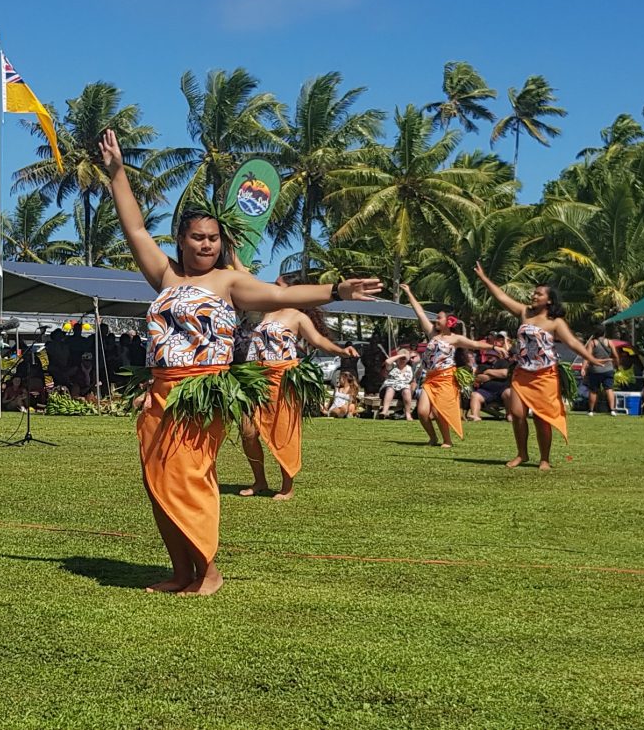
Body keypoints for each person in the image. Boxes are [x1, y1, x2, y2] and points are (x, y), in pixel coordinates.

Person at [101, 128, 381, 596]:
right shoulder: (164, 276)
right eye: (198, 237)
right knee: (157, 482)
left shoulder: (229, 283)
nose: (207, 245)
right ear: (182, 239)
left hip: (203, 392)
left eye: (213, 238)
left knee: (189, 475)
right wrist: (117, 173)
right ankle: (180, 571)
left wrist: (336, 291)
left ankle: (208, 569)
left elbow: (279, 293)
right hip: (161, 392)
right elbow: (133, 228)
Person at [474, 263, 604, 470]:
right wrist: (484, 278)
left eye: (539, 294)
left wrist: (591, 358)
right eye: (534, 293)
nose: (534, 296)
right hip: (522, 373)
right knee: (517, 414)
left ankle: (545, 458)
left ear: (549, 300)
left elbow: (573, 343)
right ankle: (522, 454)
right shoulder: (525, 313)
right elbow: (502, 298)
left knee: (542, 419)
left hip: (545, 376)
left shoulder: (555, 322)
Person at [239, 296, 359, 500]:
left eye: (279, 285)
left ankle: (287, 486)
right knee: (247, 432)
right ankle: (259, 481)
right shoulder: (265, 311)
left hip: (284, 379)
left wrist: (341, 351)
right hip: (257, 377)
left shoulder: (297, 317)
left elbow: (319, 340)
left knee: (284, 433)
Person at [399, 283, 496, 447]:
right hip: (430, 379)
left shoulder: (455, 339)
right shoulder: (432, 333)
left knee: (438, 412)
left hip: (446, 378)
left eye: (439, 317)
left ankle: (447, 440)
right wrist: (409, 293)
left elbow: (475, 344)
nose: (435, 320)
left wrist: (494, 347)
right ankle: (433, 438)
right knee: (422, 412)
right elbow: (420, 312)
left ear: (449, 321)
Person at [468, 333, 511, 422]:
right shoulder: (483, 365)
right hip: (486, 391)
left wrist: (488, 373)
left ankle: (510, 415)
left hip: (502, 390)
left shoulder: (503, 363)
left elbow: (505, 373)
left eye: (491, 355)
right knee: (475, 395)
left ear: (496, 356)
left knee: (509, 392)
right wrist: (494, 375)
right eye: (488, 356)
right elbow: (478, 378)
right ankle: (475, 416)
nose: (489, 357)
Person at [584, 323, 617, 416]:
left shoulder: (592, 343)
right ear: (604, 333)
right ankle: (612, 410)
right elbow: (615, 354)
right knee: (609, 389)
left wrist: (583, 368)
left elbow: (587, 356)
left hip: (595, 369)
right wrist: (616, 364)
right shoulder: (609, 342)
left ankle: (591, 410)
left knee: (593, 390)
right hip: (608, 368)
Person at [380, 349, 414, 420]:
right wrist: (400, 355)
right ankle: (384, 411)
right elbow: (387, 361)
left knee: (407, 391)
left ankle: (408, 414)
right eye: (400, 359)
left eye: (404, 359)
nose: (402, 360)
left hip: (402, 391)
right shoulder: (392, 366)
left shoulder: (410, 368)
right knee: (390, 389)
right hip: (388, 389)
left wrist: (406, 356)